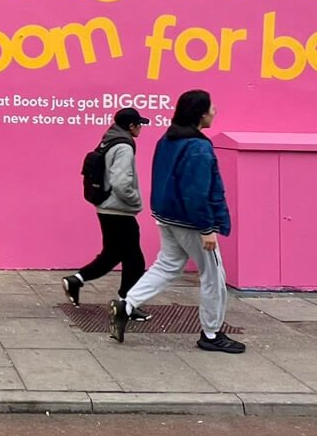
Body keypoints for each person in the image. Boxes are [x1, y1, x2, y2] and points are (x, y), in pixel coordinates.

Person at [110, 90, 245, 354]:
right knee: (214, 277)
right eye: (211, 107)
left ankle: (126, 305)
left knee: (167, 266)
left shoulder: (168, 139)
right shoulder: (198, 147)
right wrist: (207, 228)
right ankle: (211, 333)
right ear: (200, 114)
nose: (215, 111)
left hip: (167, 216)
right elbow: (196, 191)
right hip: (192, 222)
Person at [64, 108, 152, 321]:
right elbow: (121, 182)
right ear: (131, 126)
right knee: (135, 260)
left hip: (106, 207)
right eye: (139, 124)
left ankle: (76, 280)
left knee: (112, 254)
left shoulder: (108, 140)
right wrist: (135, 200)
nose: (141, 128)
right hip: (119, 209)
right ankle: (126, 304)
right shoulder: (124, 146)